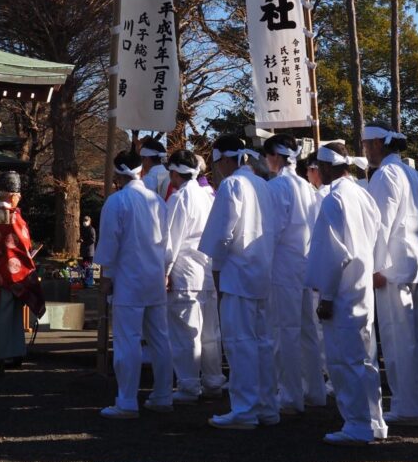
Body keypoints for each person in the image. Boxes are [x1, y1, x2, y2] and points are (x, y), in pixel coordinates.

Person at [305, 151, 389, 446]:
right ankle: (374, 420)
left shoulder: (334, 199)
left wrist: (326, 295)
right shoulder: (361, 194)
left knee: (344, 360)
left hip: (341, 289)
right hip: (361, 285)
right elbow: (377, 236)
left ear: (328, 167)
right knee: (365, 358)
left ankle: (357, 424)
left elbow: (333, 253)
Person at [198, 135, 279, 429]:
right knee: (262, 342)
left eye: (217, 161)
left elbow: (222, 232)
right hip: (261, 270)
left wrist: (216, 267)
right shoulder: (263, 184)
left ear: (224, 159)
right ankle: (266, 406)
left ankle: (244, 409)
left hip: (237, 272)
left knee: (240, 342)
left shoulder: (233, 184)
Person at [365, 123, 418, 425]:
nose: (366, 149)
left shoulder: (385, 174)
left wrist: (375, 266)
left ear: (379, 145)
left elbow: (380, 224)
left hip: (394, 265)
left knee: (399, 338)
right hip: (416, 260)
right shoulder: (411, 173)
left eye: (367, 143)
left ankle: (408, 406)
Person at [94, 150, 173, 419]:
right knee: (160, 339)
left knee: (128, 340)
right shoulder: (157, 201)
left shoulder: (117, 202)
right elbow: (167, 244)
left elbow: (108, 245)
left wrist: (105, 278)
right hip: (154, 276)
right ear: (140, 170)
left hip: (128, 279)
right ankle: (162, 395)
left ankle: (127, 400)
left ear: (118, 174)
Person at [263, 134, 327, 414]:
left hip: (283, 266)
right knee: (308, 331)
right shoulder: (305, 186)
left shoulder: (277, 187)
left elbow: (272, 231)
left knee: (284, 332)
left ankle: (290, 395)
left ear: (274, 156)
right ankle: (315, 390)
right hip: (304, 264)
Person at [163, 149, 224, 402]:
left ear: (176, 172)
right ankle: (213, 380)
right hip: (206, 271)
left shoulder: (179, 199)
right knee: (210, 332)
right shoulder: (207, 196)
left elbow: (170, 240)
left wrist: (165, 271)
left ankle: (189, 384)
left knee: (186, 332)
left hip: (185, 273)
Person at [0, 171, 45, 365]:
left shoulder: (1, 215)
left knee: (9, 312)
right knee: (7, 313)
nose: (19, 197)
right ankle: (5, 353)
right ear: (10, 194)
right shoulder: (10, 217)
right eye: (17, 194)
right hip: (9, 271)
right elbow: (17, 245)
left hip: (6, 269)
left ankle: (13, 351)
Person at [80, 214, 97, 287]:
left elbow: (93, 240)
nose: (85, 222)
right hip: (84, 251)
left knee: (89, 267)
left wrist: (84, 241)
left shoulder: (91, 229)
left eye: (86, 220)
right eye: (84, 220)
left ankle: (90, 281)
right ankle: (86, 281)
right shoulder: (84, 229)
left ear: (90, 221)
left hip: (90, 252)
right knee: (84, 267)